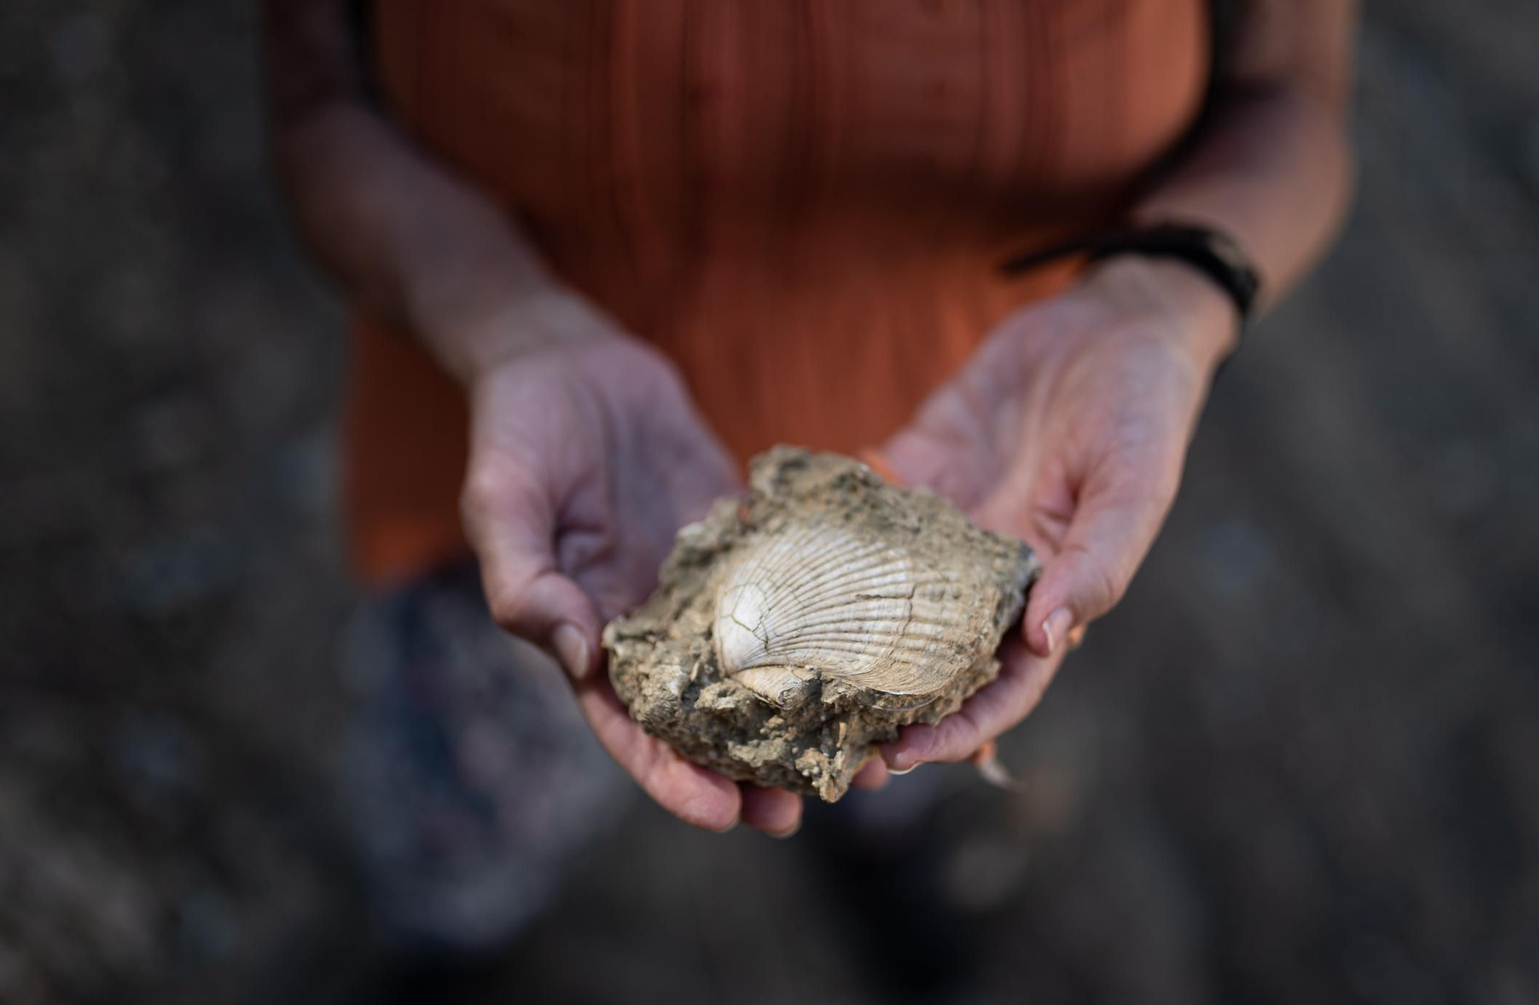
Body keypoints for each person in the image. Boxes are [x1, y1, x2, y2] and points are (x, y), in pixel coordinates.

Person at [266, 0, 1355, 945]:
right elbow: (315, 104)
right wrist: (498, 319)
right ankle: (454, 937)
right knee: (477, 780)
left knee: (900, 748)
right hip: (551, 463)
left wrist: (1162, 304)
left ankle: (876, 841)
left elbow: (1291, 92)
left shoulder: (984, 511)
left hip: (982, 460)